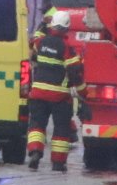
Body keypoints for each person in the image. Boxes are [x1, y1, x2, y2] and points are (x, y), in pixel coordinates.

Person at [23, 11, 84, 171]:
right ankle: (58, 163)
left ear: (52, 25)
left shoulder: (40, 42)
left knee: (37, 125)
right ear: (67, 28)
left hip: (38, 94)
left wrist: (43, 24)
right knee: (61, 130)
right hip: (59, 97)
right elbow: (75, 72)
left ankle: (35, 151)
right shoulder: (67, 48)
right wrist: (83, 93)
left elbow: (33, 41)